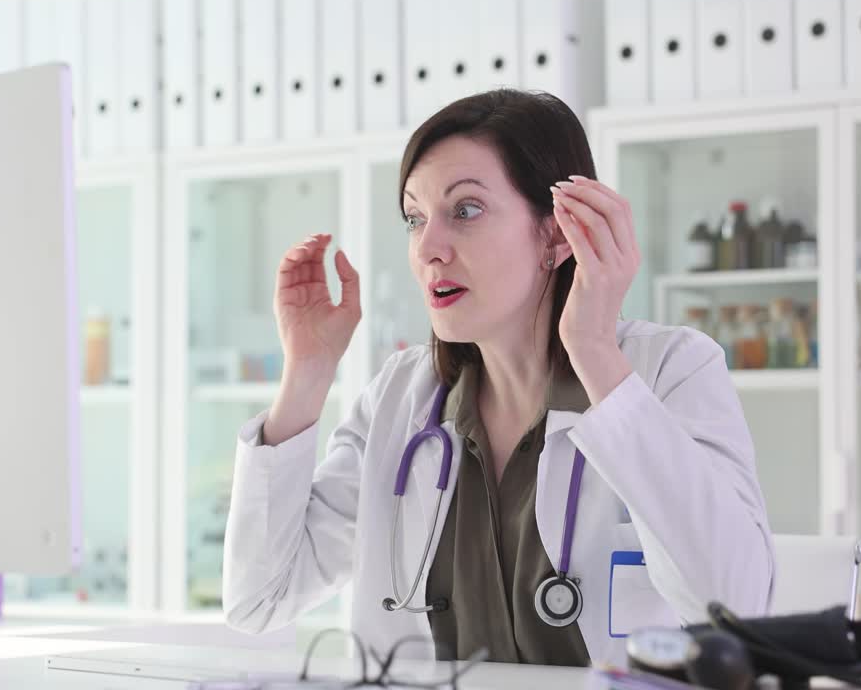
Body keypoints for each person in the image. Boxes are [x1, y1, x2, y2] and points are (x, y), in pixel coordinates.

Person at [221, 89, 774, 667]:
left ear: (559, 233)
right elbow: (260, 598)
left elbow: (737, 607)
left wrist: (594, 351)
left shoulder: (670, 372)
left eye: (465, 210)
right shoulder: (401, 400)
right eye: (415, 218)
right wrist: (307, 376)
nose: (427, 248)